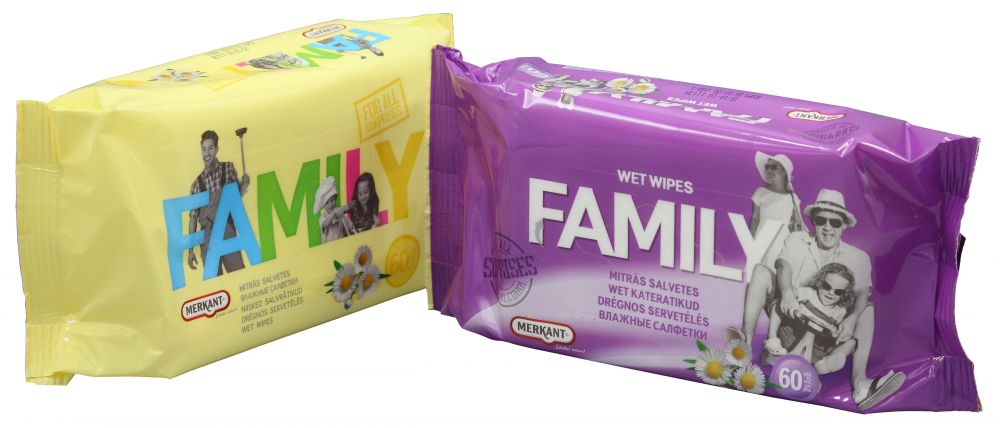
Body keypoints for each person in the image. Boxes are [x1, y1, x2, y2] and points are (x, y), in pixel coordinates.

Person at [727, 189, 905, 411]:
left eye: (835, 222)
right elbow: (784, 267)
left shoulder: (858, 257)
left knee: (866, 309)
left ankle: (860, 384)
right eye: (821, 220)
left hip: (825, 329)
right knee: (761, 271)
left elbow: (861, 294)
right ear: (813, 221)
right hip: (789, 314)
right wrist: (788, 293)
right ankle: (743, 345)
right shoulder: (797, 239)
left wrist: (851, 320)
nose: (828, 227)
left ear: (844, 225)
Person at [764, 263, 859, 373]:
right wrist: (791, 298)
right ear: (819, 282)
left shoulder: (839, 312)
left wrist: (836, 333)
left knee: (852, 342)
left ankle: (826, 363)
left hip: (815, 347)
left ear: (844, 294)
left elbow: (836, 331)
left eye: (838, 292)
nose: (831, 293)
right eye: (827, 286)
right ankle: (772, 339)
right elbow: (793, 293)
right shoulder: (809, 294)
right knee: (779, 302)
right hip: (792, 334)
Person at [187, 130, 250, 276]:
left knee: (239, 275)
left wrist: (244, 185)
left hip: (227, 230)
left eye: (210, 148)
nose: (207, 153)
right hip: (207, 238)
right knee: (214, 281)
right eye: (204, 149)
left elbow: (236, 198)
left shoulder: (228, 169)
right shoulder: (196, 185)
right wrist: (190, 251)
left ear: (216, 149)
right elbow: (193, 219)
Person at [746, 152, 804, 276]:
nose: (769, 170)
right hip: (762, 241)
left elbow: (798, 225)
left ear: (784, 172)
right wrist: (749, 244)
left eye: (774, 167)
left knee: (780, 278)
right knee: (757, 277)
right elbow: (755, 219)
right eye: (767, 167)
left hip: (783, 244)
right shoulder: (760, 192)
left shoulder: (793, 197)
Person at [314, 176, 354, 243]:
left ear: (335, 199)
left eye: (332, 200)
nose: (330, 205)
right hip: (328, 247)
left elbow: (350, 227)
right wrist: (333, 214)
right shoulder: (323, 216)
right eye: (327, 203)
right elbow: (324, 225)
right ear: (323, 205)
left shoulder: (339, 212)